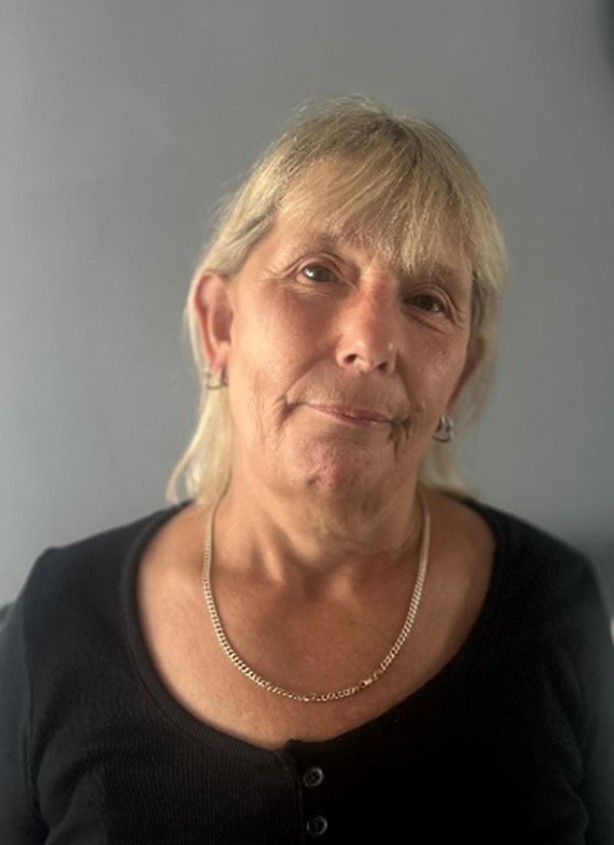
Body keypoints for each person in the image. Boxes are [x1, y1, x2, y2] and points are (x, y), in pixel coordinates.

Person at [1, 98, 613, 845]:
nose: (371, 343)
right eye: (317, 272)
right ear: (220, 324)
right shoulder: (59, 621)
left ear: (457, 377)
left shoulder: (554, 607)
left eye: (427, 301)